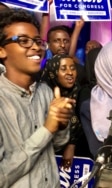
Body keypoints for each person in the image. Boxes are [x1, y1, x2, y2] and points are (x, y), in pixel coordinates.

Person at [0, 9, 75, 187]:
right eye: (24, 41)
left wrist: (62, 125)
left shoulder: (46, 92)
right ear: (2, 51)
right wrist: (46, 130)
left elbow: (55, 146)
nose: (35, 47)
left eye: (37, 41)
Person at [40, 54, 91, 169]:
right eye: (63, 69)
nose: (70, 72)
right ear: (53, 72)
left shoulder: (80, 92)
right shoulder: (42, 96)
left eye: (72, 68)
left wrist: (71, 145)